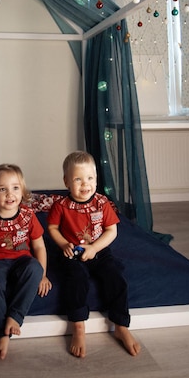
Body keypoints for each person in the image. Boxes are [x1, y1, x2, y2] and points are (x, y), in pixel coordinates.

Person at [47, 150, 141, 359]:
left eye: (90, 178)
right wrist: (63, 244)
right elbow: (52, 228)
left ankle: (120, 325)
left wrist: (94, 248)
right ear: (66, 182)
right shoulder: (61, 206)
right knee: (76, 278)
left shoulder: (101, 202)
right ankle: (78, 325)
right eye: (78, 179)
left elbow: (112, 231)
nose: (85, 184)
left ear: (96, 179)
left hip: (97, 249)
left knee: (115, 274)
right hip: (72, 250)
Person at [0, 163, 52, 360]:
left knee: (35, 268)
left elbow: (39, 246)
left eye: (15, 188)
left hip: (21, 261)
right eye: (2, 189)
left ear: (22, 191)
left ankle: (15, 316)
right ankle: (1, 333)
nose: (9, 194)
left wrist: (43, 275)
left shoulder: (28, 216)